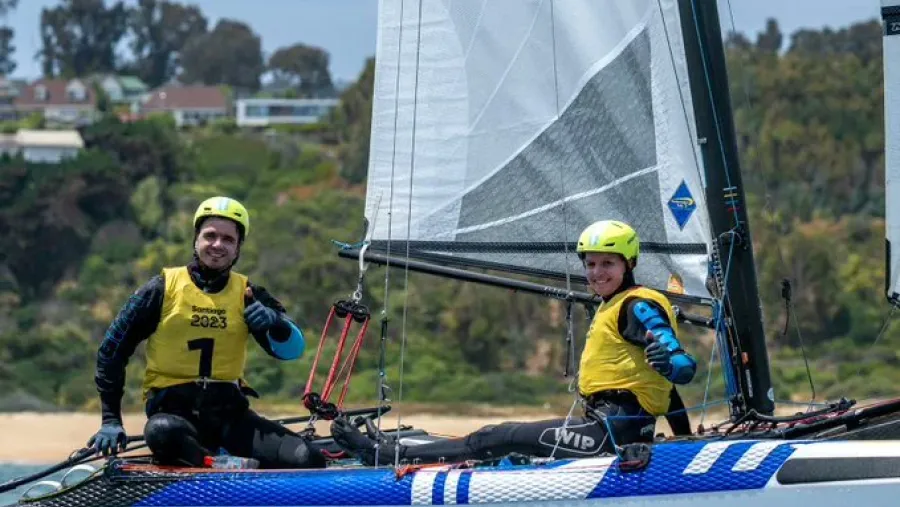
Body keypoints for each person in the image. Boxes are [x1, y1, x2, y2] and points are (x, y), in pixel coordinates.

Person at [330, 220, 697, 465]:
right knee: (503, 440)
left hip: (611, 435)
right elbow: (664, 391)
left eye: (608, 264)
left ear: (628, 263)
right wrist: (686, 440)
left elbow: (680, 366)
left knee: (498, 436)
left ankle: (386, 457)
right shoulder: (612, 305)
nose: (597, 273)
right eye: (591, 264)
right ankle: (395, 449)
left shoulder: (637, 305)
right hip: (606, 426)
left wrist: (671, 362)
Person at [87, 196, 327, 469]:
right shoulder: (160, 289)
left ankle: (224, 461)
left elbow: (292, 350)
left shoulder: (249, 294)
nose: (218, 245)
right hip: (175, 419)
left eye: (228, 239)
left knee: (308, 457)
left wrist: (275, 322)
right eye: (210, 236)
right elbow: (111, 352)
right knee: (160, 431)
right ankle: (213, 461)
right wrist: (110, 420)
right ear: (196, 239)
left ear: (238, 248)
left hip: (232, 419)